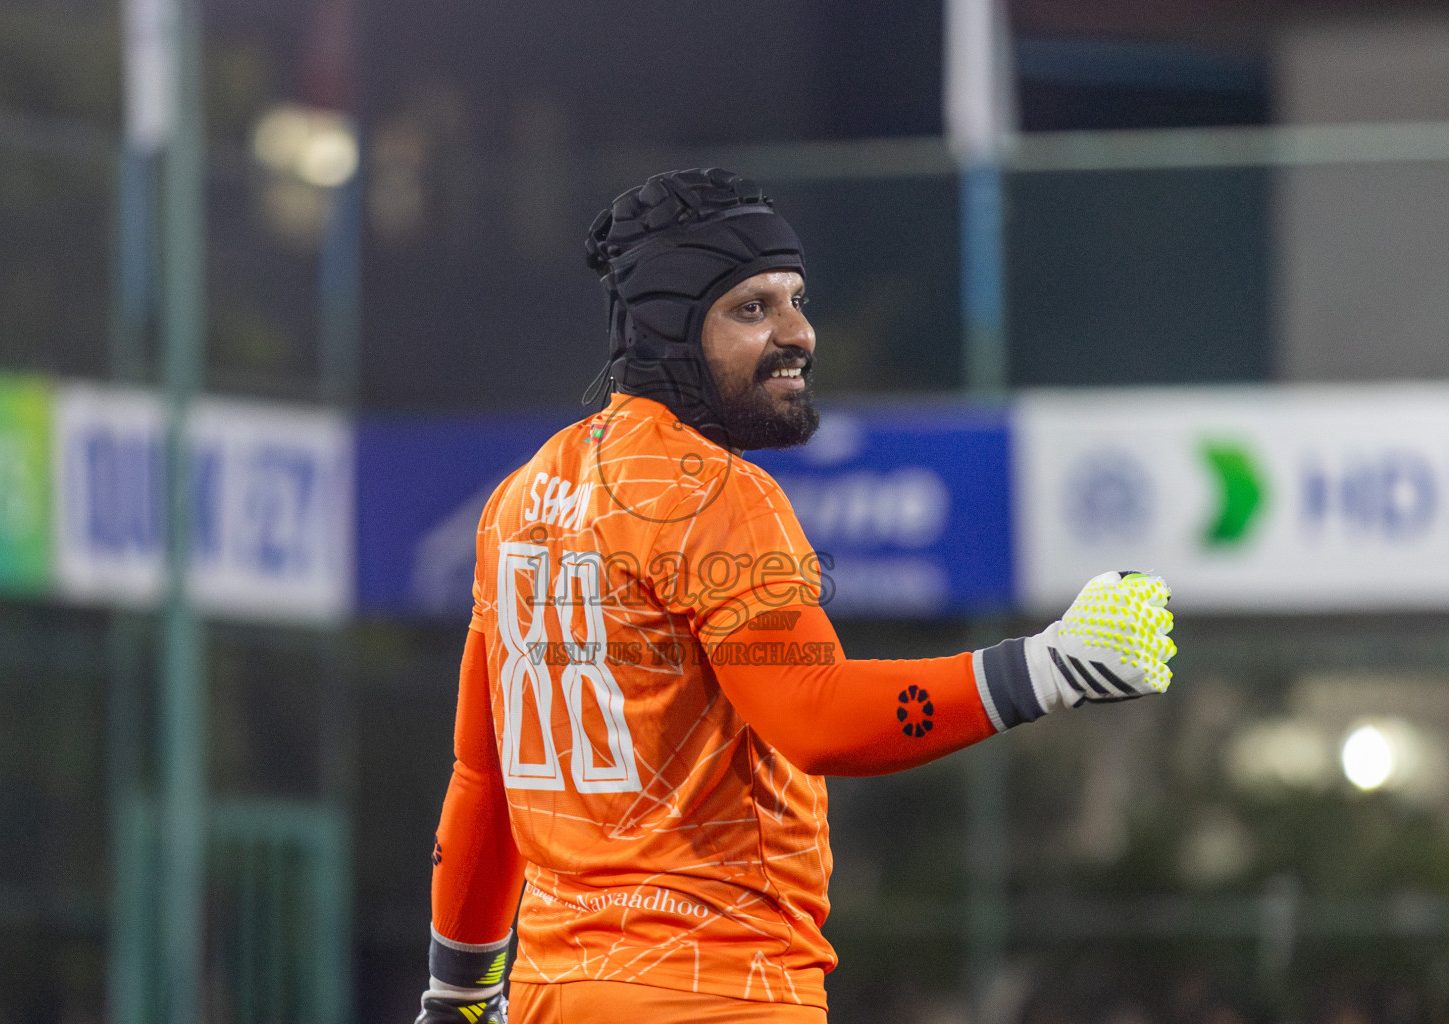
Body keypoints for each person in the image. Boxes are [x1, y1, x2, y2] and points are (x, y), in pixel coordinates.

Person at [417, 168, 1175, 1024]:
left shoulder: (518, 498)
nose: (799, 333)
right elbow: (815, 716)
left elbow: (483, 777)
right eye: (752, 308)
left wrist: (455, 993)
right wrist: (1047, 668)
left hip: (553, 1000)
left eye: (796, 298)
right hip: (719, 995)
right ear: (669, 327)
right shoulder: (713, 492)